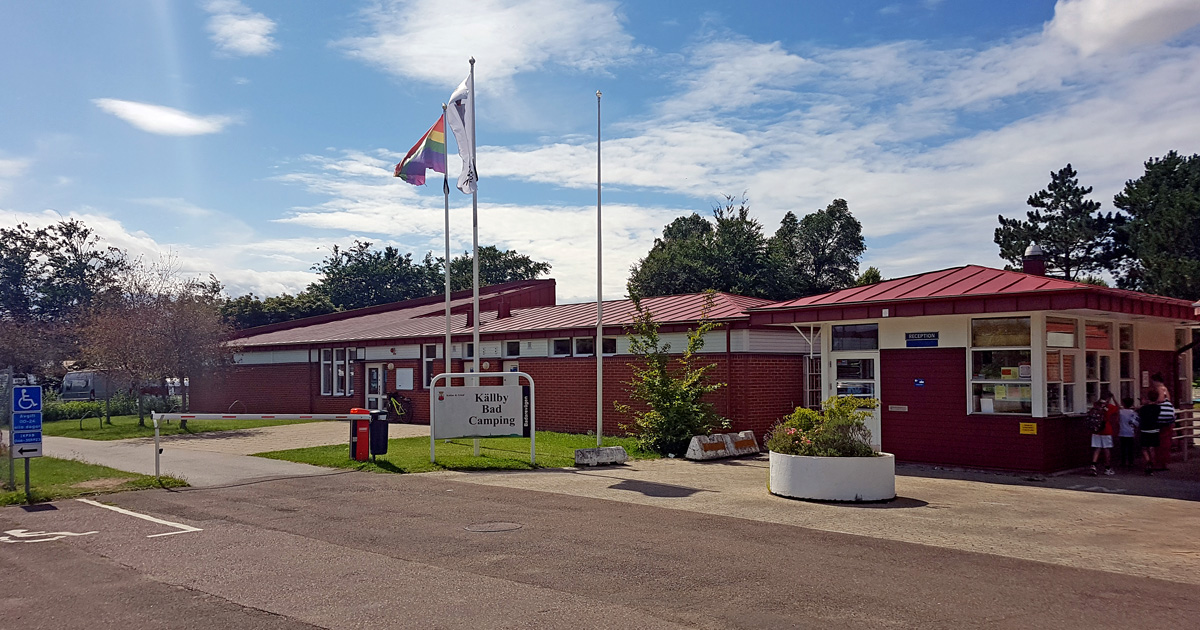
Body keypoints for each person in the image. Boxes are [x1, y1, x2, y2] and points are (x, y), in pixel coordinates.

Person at [1088, 391, 1118, 476]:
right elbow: (1118, 408)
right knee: (1106, 449)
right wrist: (1114, 399)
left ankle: (1093, 466)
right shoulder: (1109, 406)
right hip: (1106, 430)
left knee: (1097, 448)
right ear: (1108, 398)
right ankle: (1107, 468)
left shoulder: (1096, 405)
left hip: (1096, 430)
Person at [1138, 388, 1163, 475]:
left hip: (1145, 429)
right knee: (1152, 448)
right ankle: (1152, 464)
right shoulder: (1158, 408)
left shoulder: (1143, 409)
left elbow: (1140, 416)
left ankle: (1147, 461)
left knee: (1144, 448)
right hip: (1154, 429)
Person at [1117, 397, 1139, 468]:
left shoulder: (1121, 412)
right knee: (1130, 448)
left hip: (1122, 432)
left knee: (1122, 448)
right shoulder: (1133, 413)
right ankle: (1131, 462)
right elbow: (1136, 423)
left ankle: (1123, 461)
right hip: (1130, 432)